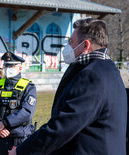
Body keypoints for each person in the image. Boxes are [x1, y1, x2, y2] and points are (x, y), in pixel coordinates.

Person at [9, 18, 127, 155]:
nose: (67, 47)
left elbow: (63, 126)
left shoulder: (91, 75)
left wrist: (22, 151)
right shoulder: (109, 70)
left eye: (71, 42)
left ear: (85, 45)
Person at [0, 52, 37, 155]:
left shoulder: (28, 87)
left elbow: (26, 112)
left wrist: (3, 124)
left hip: (19, 139)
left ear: (20, 68)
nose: (8, 68)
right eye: (6, 65)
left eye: (11, 66)